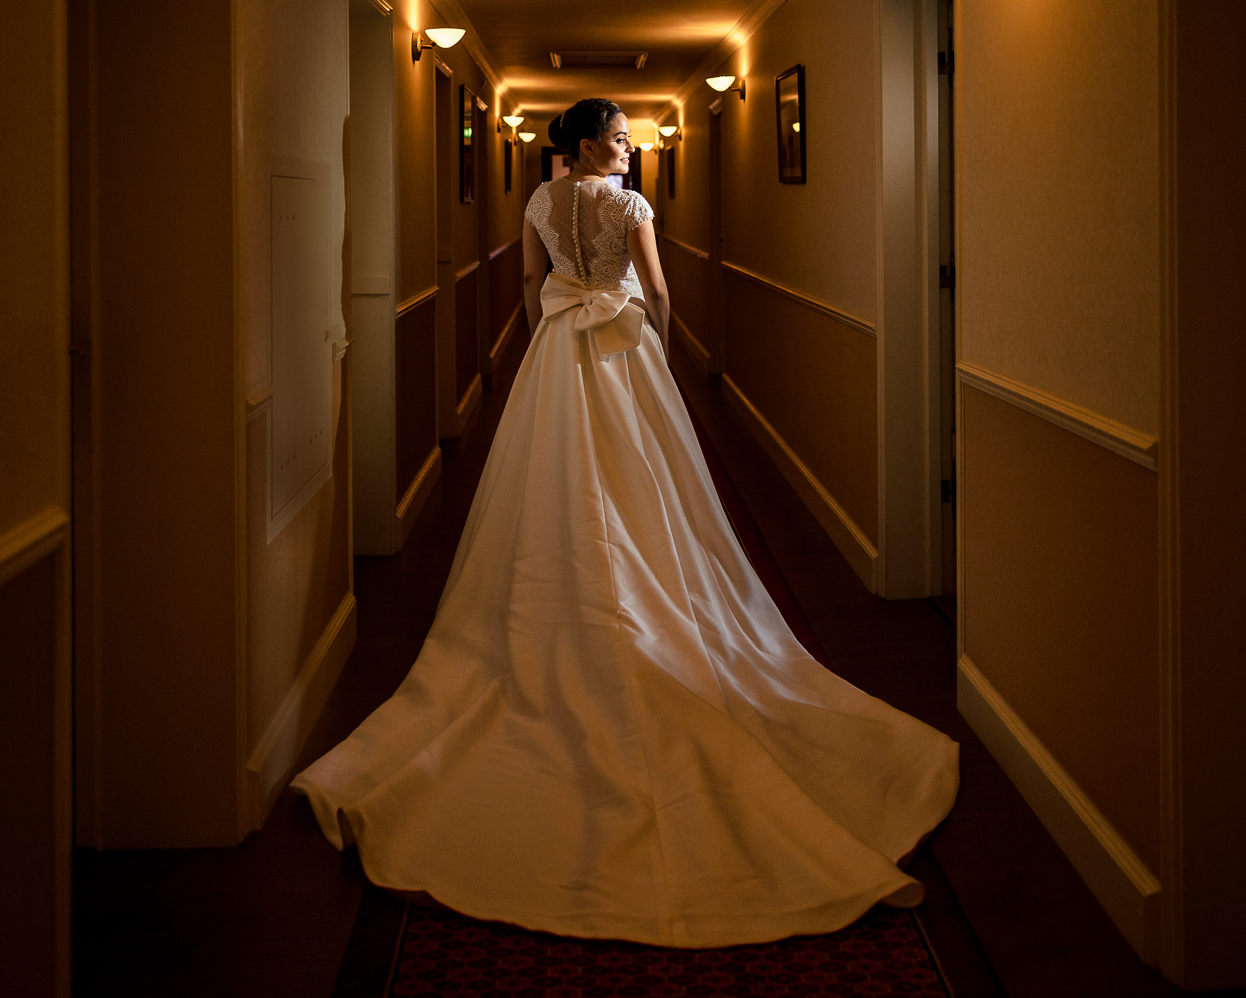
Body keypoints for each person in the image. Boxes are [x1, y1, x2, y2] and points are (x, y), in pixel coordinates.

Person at [291, 98, 959, 949]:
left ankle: (559, 624)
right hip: (624, 351)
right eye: (618, 138)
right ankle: (651, 620)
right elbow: (662, 288)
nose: (630, 151)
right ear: (583, 143)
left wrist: (542, 344)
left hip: (559, 357)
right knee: (648, 488)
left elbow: (533, 291)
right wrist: (666, 352)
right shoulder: (631, 206)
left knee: (556, 494)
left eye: (632, 140)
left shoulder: (539, 200)